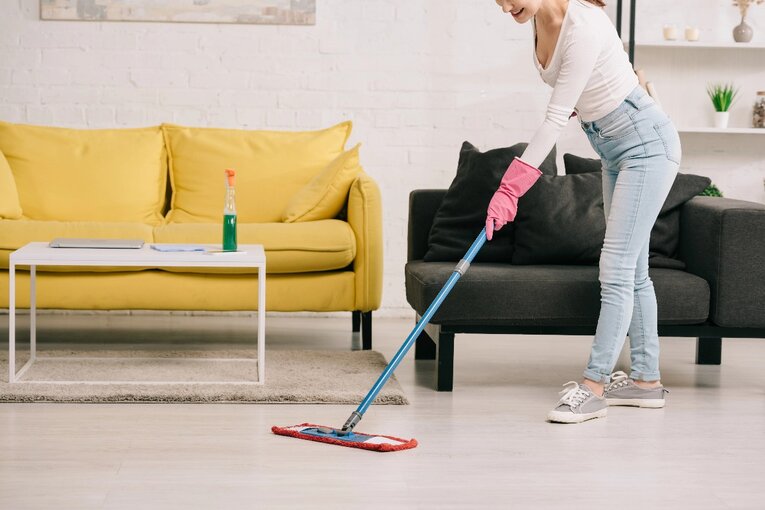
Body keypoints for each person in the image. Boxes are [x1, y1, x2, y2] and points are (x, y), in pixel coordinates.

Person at [486, 0, 680, 423]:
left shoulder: (584, 25)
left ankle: (593, 387)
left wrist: (511, 187)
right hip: (612, 149)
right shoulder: (538, 21)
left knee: (615, 267)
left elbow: (555, 117)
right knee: (634, 271)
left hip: (646, 144)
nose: (503, 6)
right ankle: (646, 381)